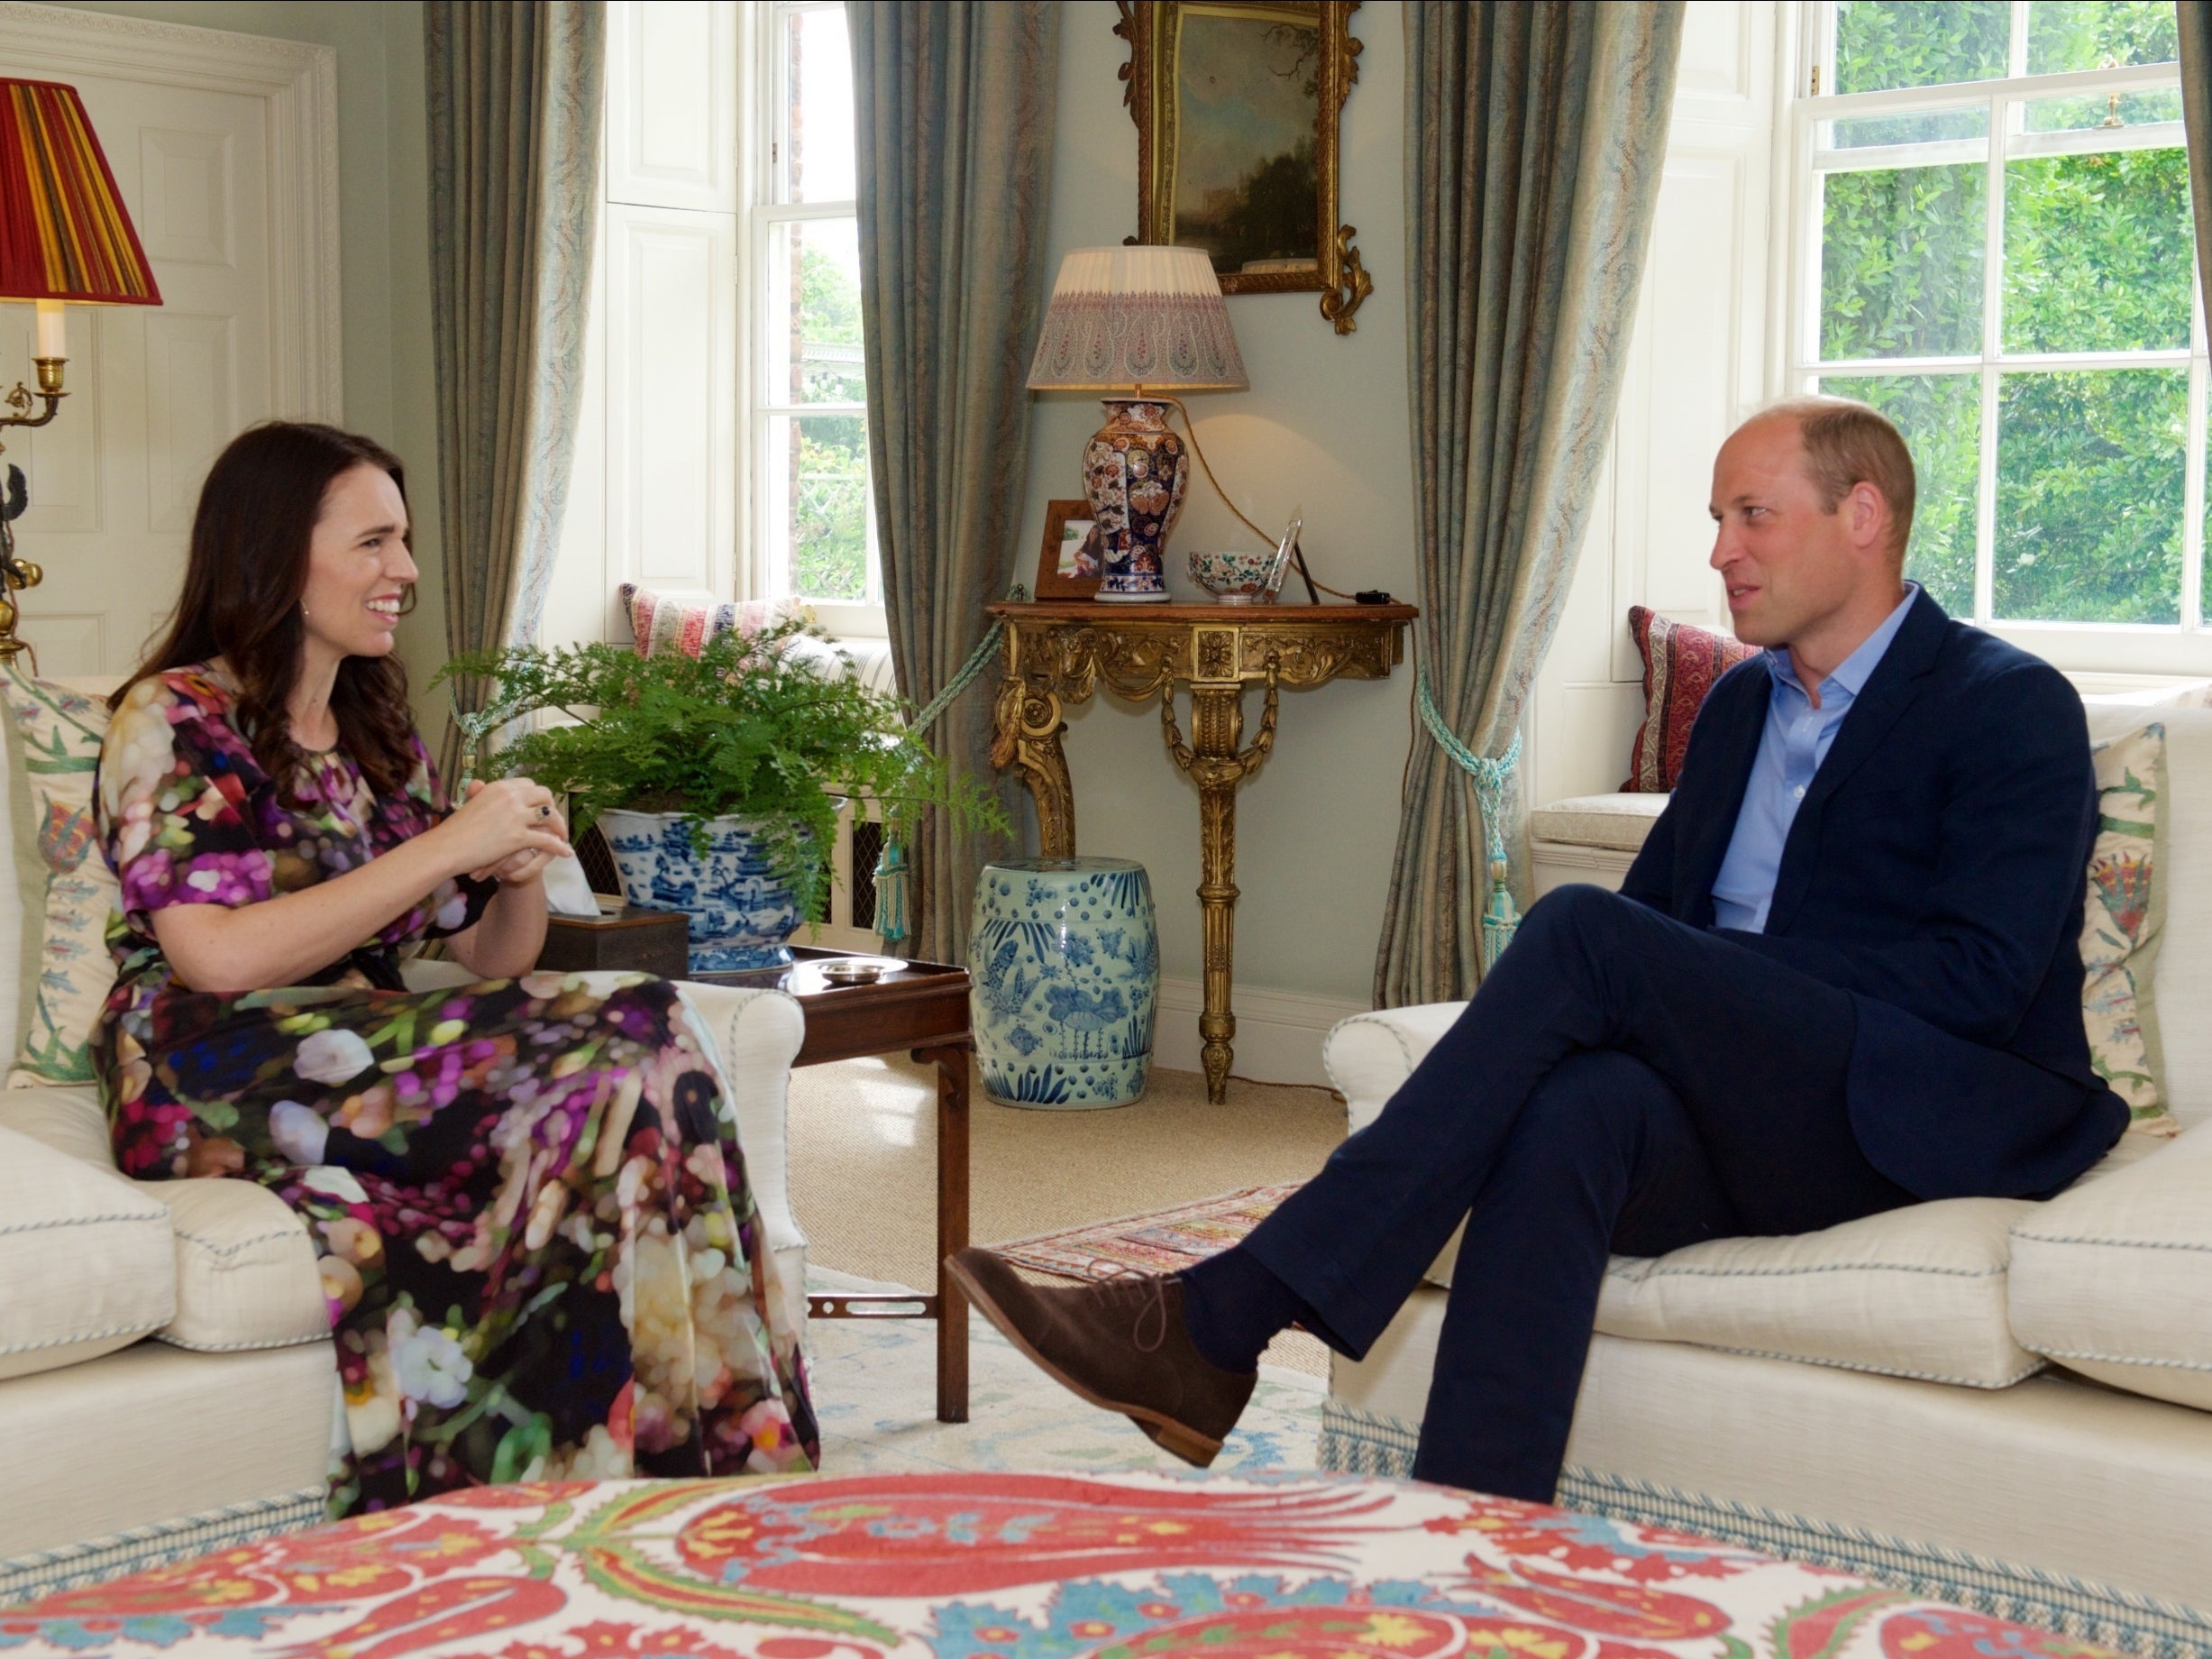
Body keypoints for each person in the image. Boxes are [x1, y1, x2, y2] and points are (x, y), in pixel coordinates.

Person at [948, 397, 2128, 1498]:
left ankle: (1223, 1316)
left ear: (1861, 516)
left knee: (1581, 931)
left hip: (1911, 1111)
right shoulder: (1737, 712)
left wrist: (1715, 992)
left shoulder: (2003, 702)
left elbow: (1976, 983)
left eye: (1751, 515)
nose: (1720, 549)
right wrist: (1691, 1000)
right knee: (1579, 1109)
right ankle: (1476, 1522)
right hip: (1749, 1113)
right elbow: (1665, 939)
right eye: (1715, 520)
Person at [94, 421, 816, 1515]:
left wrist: (518, 859)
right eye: (377, 542)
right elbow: (214, 953)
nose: (409, 573)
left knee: (645, 1034)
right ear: (281, 553)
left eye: (407, 541)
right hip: (212, 1064)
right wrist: (447, 844)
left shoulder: (371, 727)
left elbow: (485, 954)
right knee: (626, 1031)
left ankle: (691, 1465)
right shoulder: (177, 715)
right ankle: (665, 1467)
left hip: (361, 1047)